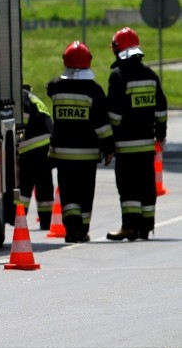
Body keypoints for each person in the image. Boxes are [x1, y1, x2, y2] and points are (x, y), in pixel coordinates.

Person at [46, 41, 114, 243]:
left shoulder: (56, 88)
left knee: (68, 194)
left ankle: (71, 230)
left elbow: (49, 86)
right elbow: (102, 124)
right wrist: (109, 148)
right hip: (87, 155)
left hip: (63, 154)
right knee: (85, 193)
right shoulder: (94, 90)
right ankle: (82, 230)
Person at [106, 27, 167, 241]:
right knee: (146, 187)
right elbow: (161, 109)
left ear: (116, 49)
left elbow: (113, 114)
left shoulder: (118, 76)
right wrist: (160, 135)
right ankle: (145, 227)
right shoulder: (151, 75)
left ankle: (129, 227)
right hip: (146, 146)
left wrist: (109, 143)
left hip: (125, 145)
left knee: (128, 187)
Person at [17, 85, 55, 230]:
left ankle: (19, 219)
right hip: (46, 145)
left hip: (32, 146)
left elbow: (23, 116)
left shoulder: (21, 96)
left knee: (25, 185)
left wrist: (16, 138)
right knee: (44, 185)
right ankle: (46, 221)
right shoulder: (34, 98)